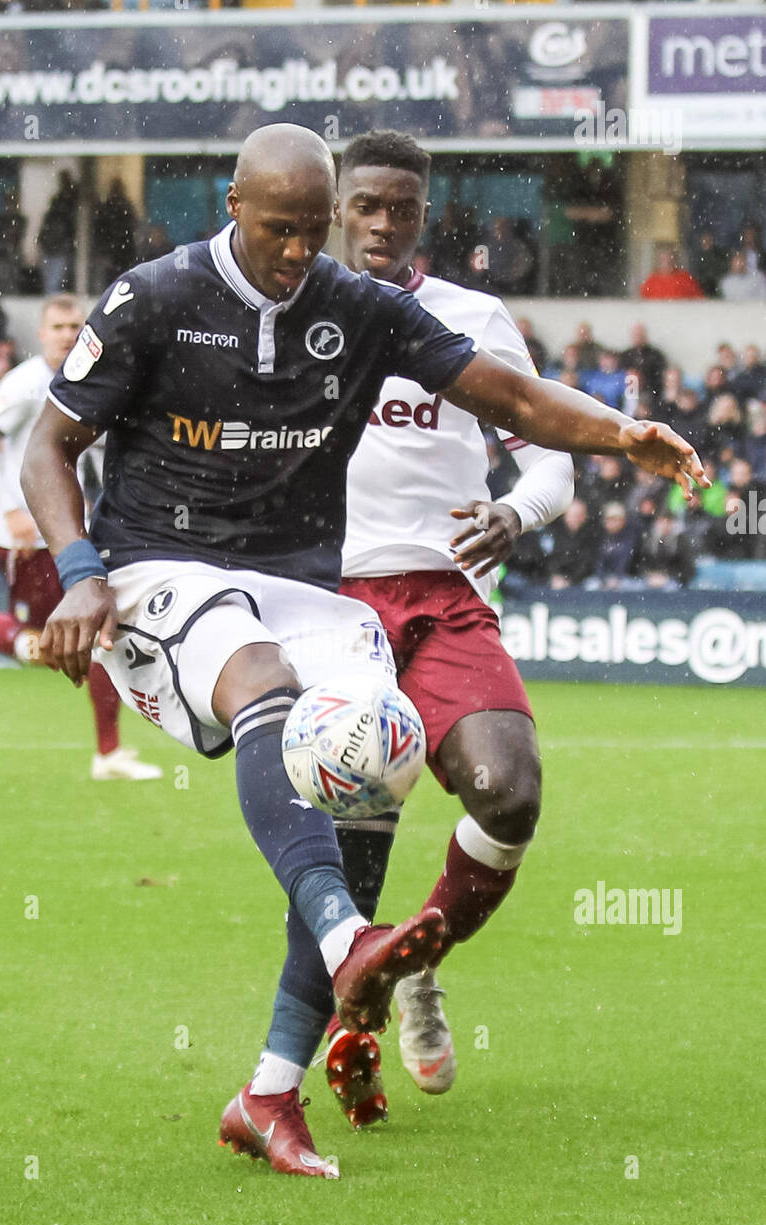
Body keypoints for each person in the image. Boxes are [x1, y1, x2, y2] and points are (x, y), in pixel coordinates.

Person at [19, 124, 705, 1180]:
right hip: (161, 567)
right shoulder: (151, 297)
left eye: (311, 230)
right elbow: (49, 445)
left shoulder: (359, 306)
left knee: (365, 763)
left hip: (308, 586)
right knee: (262, 683)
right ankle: (354, 946)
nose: (300, 252)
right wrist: (77, 573)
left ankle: (268, 1092)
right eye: (281, 229)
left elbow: (516, 401)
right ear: (232, 204)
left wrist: (622, 433)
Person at [319, 129, 574, 1123]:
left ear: (423, 216)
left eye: (404, 209)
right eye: (367, 205)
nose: (384, 223)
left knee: (509, 793)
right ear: (337, 210)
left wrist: (517, 512)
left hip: (445, 599)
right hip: (333, 610)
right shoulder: (291, 319)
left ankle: (415, 964)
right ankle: (346, 1032)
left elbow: (551, 454)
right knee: (355, 850)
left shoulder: (469, 320)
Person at [0, 294, 161, 785]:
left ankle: (109, 753)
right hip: (27, 539)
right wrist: (9, 506)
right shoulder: (26, 383)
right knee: (49, 649)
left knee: (100, 634)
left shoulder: (91, 381)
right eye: (58, 327)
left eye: (76, 326)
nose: (68, 335)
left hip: (71, 534)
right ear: (41, 333)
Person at [639, 246, 705, 301]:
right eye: (663, 259)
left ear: (675, 260)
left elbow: (700, 301)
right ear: (658, 261)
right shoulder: (650, 282)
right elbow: (643, 304)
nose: (666, 262)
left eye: (669, 258)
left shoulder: (685, 279)